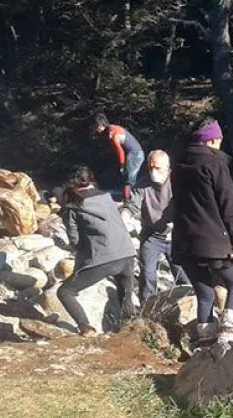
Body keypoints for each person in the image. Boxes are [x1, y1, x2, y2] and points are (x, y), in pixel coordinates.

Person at [172, 117, 233, 345]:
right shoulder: (215, 165)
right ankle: (227, 339)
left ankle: (205, 343)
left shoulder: (179, 166)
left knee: (205, 292)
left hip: (184, 243)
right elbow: (229, 208)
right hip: (214, 243)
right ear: (213, 140)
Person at [56, 167, 138, 336]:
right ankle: (134, 332)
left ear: (71, 185)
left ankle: (86, 327)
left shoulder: (73, 207)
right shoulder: (107, 198)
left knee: (65, 292)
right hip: (127, 253)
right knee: (125, 297)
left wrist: (82, 257)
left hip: (103, 258)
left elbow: (75, 240)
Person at [127, 150, 189, 300]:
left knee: (183, 274)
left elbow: (190, 205)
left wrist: (179, 222)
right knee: (148, 274)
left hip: (176, 235)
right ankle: (147, 311)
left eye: (158, 168)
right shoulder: (142, 185)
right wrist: (123, 221)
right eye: (150, 168)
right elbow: (131, 206)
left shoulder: (179, 182)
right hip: (151, 235)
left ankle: (189, 307)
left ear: (168, 168)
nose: (154, 172)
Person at [92, 113, 145, 200]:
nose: (95, 129)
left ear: (100, 125)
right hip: (135, 153)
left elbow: (119, 150)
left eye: (95, 126)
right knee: (127, 178)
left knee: (128, 180)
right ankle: (127, 198)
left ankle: (128, 201)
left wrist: (122, 164)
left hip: (135, 154)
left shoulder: (112, 133)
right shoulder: (112, 129)